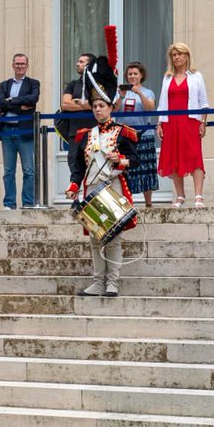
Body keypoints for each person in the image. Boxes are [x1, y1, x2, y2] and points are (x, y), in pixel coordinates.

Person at [66, 58, 138, 297]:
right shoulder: (85, 135)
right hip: (91, 189)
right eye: (95, 105)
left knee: (113, 238)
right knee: (96, 238)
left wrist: (121, 160)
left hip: (113, 187)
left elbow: (135, 160)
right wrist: (73, 186)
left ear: (110, 107)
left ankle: (112, 283)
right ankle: (98, 282)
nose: (98, 109)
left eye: (102, 106)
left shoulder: (123, 132)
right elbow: (78, 166)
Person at [157, 42, 208, 208]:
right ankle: (180, 195)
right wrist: (159, 123)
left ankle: (198, 195)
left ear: (187, 56)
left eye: (180, 54)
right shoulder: (167, 77)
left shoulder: (196, 76)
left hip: (190, 121)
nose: (177, 57)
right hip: (170, 122)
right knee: (173, 157)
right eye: (174, 55)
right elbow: (162, 102)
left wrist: (203, 122)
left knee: (194, 155)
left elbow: (203, 101)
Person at [0, 53, 40, 209]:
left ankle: (28, 203)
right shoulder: (4, 85)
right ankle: (9, 204)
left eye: (23, 64)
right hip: (7, 130)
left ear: (27, 66)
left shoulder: (33, 83)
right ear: (13, 65)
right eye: (17, 64)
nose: (20, 66)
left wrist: (10, 101)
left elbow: (32, 100)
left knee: (28, 170)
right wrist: (18, 105)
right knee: (8, 171)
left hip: (24, 131)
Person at [115, 62, 158, 207]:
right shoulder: (120, 92)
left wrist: (138, 92)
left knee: (146, 168)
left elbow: (150, 109)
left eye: (135, 74)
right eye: (130, 74)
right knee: (125, 168)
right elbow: (113, 111)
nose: (132, 76)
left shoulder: (148, 92)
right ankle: (127, 201)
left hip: (143, 134)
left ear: (141, 76)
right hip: (124, 136)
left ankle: (148, 203)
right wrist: (121, 97)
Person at [61, 52, 96, 160]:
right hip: (75, 132)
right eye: (77, 61)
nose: (77, 64)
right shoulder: (73, 84)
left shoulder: (98, 84)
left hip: (94, 131)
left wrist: (78, 102)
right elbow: (65, 104)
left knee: (93, 164)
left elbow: (101, 104)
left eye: (81, 62)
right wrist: (87, 105)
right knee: (74, 164)